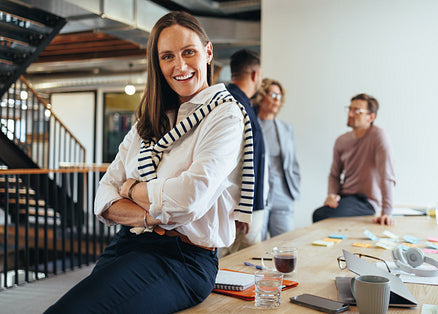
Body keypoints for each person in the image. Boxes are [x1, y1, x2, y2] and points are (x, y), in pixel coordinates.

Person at [45, 11, 254, 313]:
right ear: (157, 63)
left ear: (208, 52)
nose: (179, 66)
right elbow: (104, 194)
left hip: (182, 259)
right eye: (167, 56)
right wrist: (153, 216)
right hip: (127, 243)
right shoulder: (148, 120)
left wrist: (131, 190)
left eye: (189, 52)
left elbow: (188, 201)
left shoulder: (224, 115)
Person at [312, 93, 395, 225]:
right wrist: (332, 195)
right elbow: (334, 175)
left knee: (320, 215)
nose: (350, 114)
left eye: (357, 111)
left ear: (371, 117)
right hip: (345, 198)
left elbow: (387, 175)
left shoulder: (378, 137)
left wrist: (387, 212)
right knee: (320, 214)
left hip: (367, 201)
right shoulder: (341, 141)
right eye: (349, 109)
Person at [223, 49, 265, 254]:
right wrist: (243, 207)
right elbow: (233, 162)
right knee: (242, 261)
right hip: (241, 208)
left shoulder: (239, 103)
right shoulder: (235, 105)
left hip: (243, 205)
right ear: (255, 74)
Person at [255, 78, 300, 239]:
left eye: (279, 96)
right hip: (259, 195)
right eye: (273, 94)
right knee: (255, 246)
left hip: (283, 194)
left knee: (286, 246)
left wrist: (294, 189)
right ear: (261, 95)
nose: (276, 100)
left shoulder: (286, 128)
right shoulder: (251, 126)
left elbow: (292, 162)